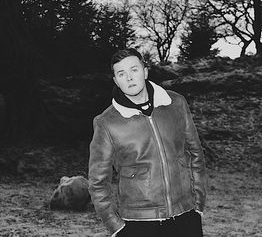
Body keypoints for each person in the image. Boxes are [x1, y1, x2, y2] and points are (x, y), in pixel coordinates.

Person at [88, 48, 206, 237]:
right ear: (116, 81)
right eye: (121, 74)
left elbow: (195, 154)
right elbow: (97, 182)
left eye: (134, 70)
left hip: (186, 216)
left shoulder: (175, 104)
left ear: (145, 71)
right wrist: (116, 227)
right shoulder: (106, 122)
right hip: (139, 223)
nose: (129, 78)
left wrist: (198, 205)